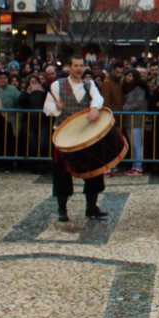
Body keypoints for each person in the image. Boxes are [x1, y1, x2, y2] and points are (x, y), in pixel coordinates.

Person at [44, 56, 108, 223]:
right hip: (63, 134)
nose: (79, 69)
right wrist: (56, 109)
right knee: (62, 172)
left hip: (85, 134)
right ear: (69, 67)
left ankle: (91, 207)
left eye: (81, 65)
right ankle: (62, 209)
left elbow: (98, 98)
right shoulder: (57, 85)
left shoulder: (89, 84)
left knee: (93, 169)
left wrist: (94, 107)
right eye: (76, 65)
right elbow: (47, 107)